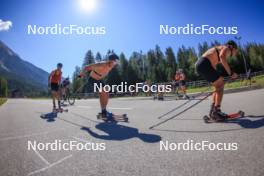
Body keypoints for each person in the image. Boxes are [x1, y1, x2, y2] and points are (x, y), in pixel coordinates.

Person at [195, 40, 238, 121]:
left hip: (201, 64)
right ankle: (216, 111)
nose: (235, 53)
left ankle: (213, 111)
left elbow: (213, 66)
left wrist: (217, 79)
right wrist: (231, 73)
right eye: (235, 50)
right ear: (231, 47)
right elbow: (222, 57)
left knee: (217, 86)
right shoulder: (225, 48)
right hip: (204, 63)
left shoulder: (217, 50)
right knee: (220, 84)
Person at [78, 53, 119, 118]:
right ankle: (103, 111)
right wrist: (80, 75)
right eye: (114, 62)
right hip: (93, 79)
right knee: (103, 92)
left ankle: (104, 110)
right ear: (110, 61)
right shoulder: (101, 64)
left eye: (116, 63)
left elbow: (104, 72)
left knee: (106, 93)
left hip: (99, 80)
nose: (115, 64)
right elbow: (87, 67)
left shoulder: (110, 66)